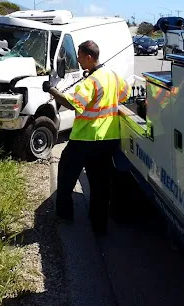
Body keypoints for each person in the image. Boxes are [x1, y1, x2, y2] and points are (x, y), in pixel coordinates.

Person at [44, 40, 130, 235]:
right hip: (108, 139)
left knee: (66, 175)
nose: (80, 62)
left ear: (89, 57)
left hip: (85, 139)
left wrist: (51, 89)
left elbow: (73, 104)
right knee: (100, 185)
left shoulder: (91, 82)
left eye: (81, 58)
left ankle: (64, 215)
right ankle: (99, 226)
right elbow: (126, 94)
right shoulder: (113, 76)